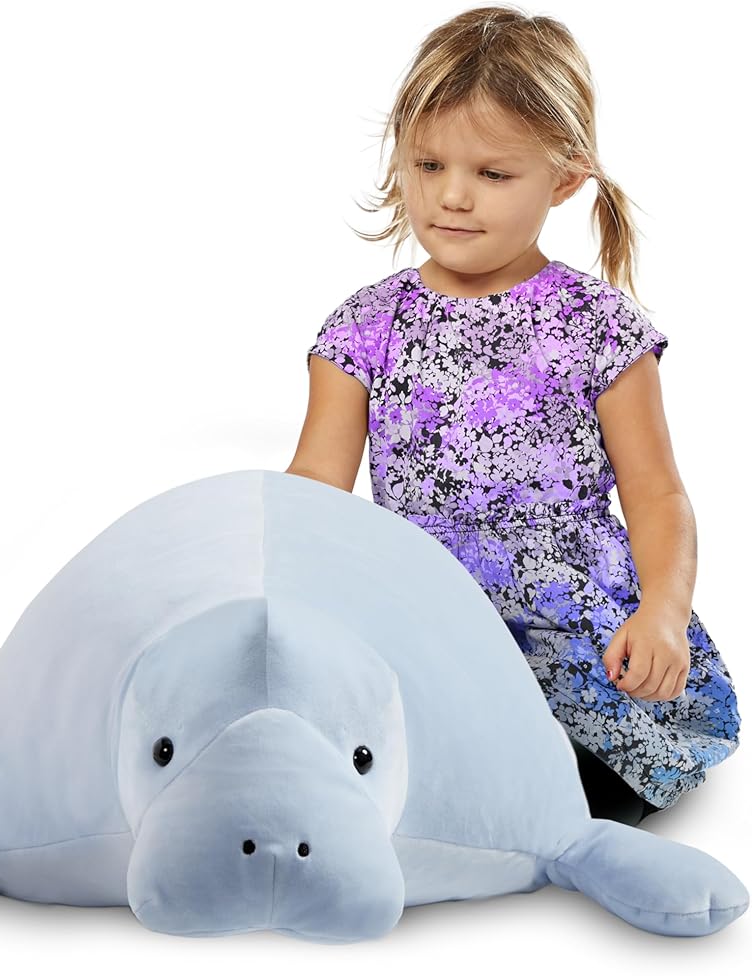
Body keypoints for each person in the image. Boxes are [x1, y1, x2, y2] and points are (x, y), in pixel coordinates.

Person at [285, 4, 740, 827]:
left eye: (493, 174)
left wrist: (663, 614)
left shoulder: (600, 329)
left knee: (585, 791)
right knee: (362, 764)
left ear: (564, 178)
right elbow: (313, 489)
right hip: (425, 619)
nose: (452, 196)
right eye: (428, 164)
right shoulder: (364, 328)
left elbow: (656, 494)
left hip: (568, 630)